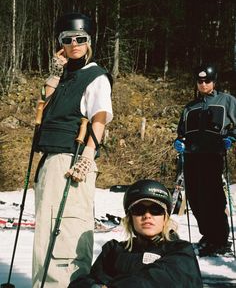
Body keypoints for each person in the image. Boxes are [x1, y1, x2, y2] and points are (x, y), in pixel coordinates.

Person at [32, 12, 113, 287]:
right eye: (68, 39)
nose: (74, 43)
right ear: (61, 44)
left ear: (89, 41)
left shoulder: (95, 76)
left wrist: (88, 157)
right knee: (46, 235)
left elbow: (99, 118)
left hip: (72, 160)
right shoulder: (65, 77)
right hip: (50, 161)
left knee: (67, 231)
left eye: (80, 38)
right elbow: (44, 103)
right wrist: (55, 73)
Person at [68, 179, 203, 288]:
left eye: (155, 210)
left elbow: (161, 279)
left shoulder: (180, 251)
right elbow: (89, 280)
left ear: (165, 218)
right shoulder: (114, 250)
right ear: (130, 218)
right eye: (139, 209)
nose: (147, 216)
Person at [174, 63, 236, 257]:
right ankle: (208, 236)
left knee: (213, 198)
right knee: (196, 198)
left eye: (207, 80)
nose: (203, 84)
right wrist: (179, 142)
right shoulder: (190, 107)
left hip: (212, 155)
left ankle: (220, 239)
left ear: (214, 81)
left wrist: (231, 138)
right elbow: (181, 132)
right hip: (192, 156)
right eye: (199, 81)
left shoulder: (226, 100)